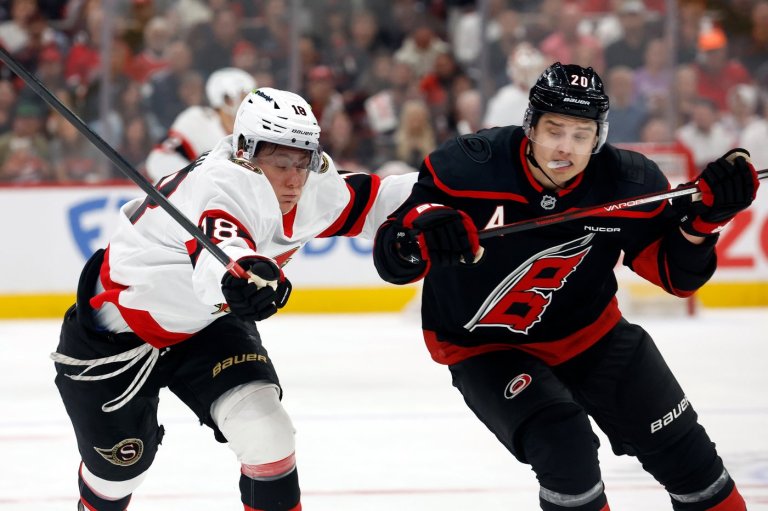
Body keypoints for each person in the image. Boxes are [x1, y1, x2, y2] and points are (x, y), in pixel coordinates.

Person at [372, 62, 759, 511]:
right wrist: (417, 237)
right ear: (530, 126)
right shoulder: (468, 168)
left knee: (690, 461)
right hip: (482, 347)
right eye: (554, 130)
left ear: (598, 138)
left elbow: (675, 276)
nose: (565, 148)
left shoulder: (628, 182)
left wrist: (707, 221)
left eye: (581, 135)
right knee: (566, 449)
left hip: (592, 333)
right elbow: (392, 257)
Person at [52, 86, 417, 511]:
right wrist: (243, 275)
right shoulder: (222, 182)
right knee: (117, 476)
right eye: (281, 163)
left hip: (205, 324)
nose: (294, 179)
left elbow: (378, 200)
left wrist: (451, 191)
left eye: (302, 161)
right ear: (245, 151)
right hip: (115, 338)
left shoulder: (313, 185)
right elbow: (220, 251)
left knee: (267, 433)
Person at [145, 67, 256, 182]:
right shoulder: (198, 120)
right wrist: (201, 182)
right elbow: (159, 160)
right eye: (244, 96)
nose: (252, 103)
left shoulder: (253, 133)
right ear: (226, 99)